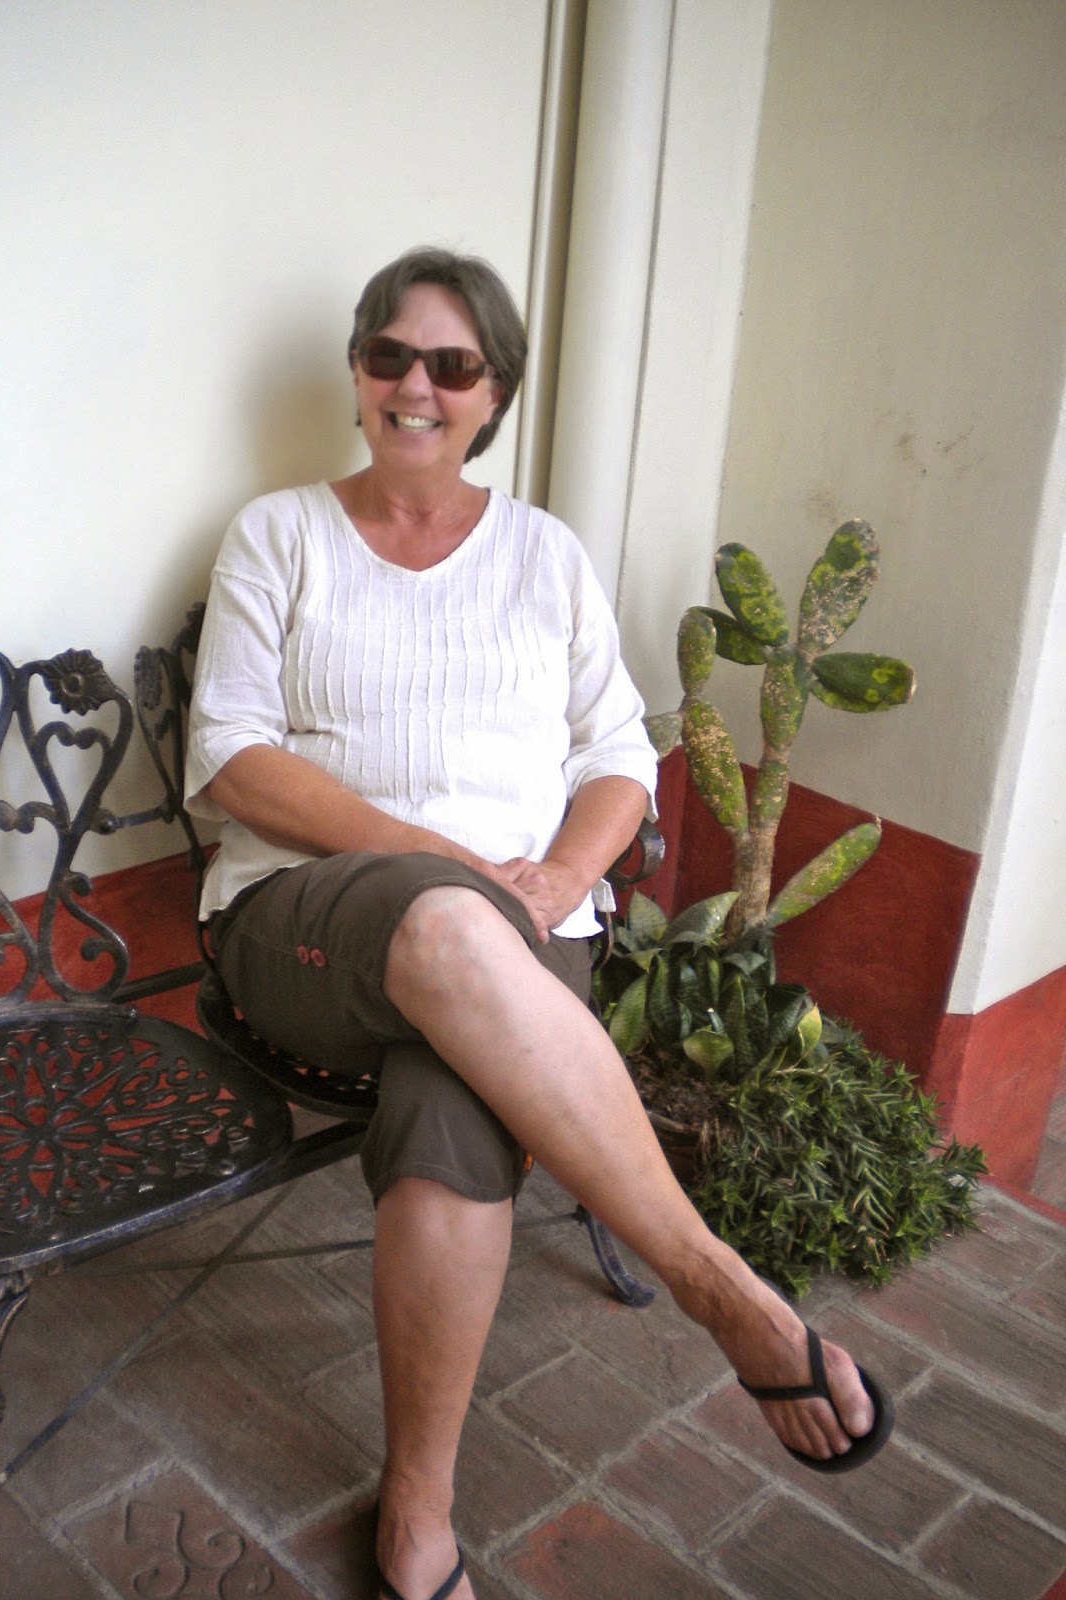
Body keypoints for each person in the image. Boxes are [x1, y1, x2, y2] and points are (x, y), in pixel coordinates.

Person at [185, 246, 890, 1600]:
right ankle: (716, 1283)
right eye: (390, 355)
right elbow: (231, 759)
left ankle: (418, 1512)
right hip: (307, 918)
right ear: (357, 373)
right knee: (452, 930)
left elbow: (619, 754)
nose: (416, 386)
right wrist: (459, 867)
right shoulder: (281, 535)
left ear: (494, 392)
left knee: (454, 1098)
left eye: (452, 364)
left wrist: (560, 881)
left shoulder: (545, 556)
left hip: (523, 926)